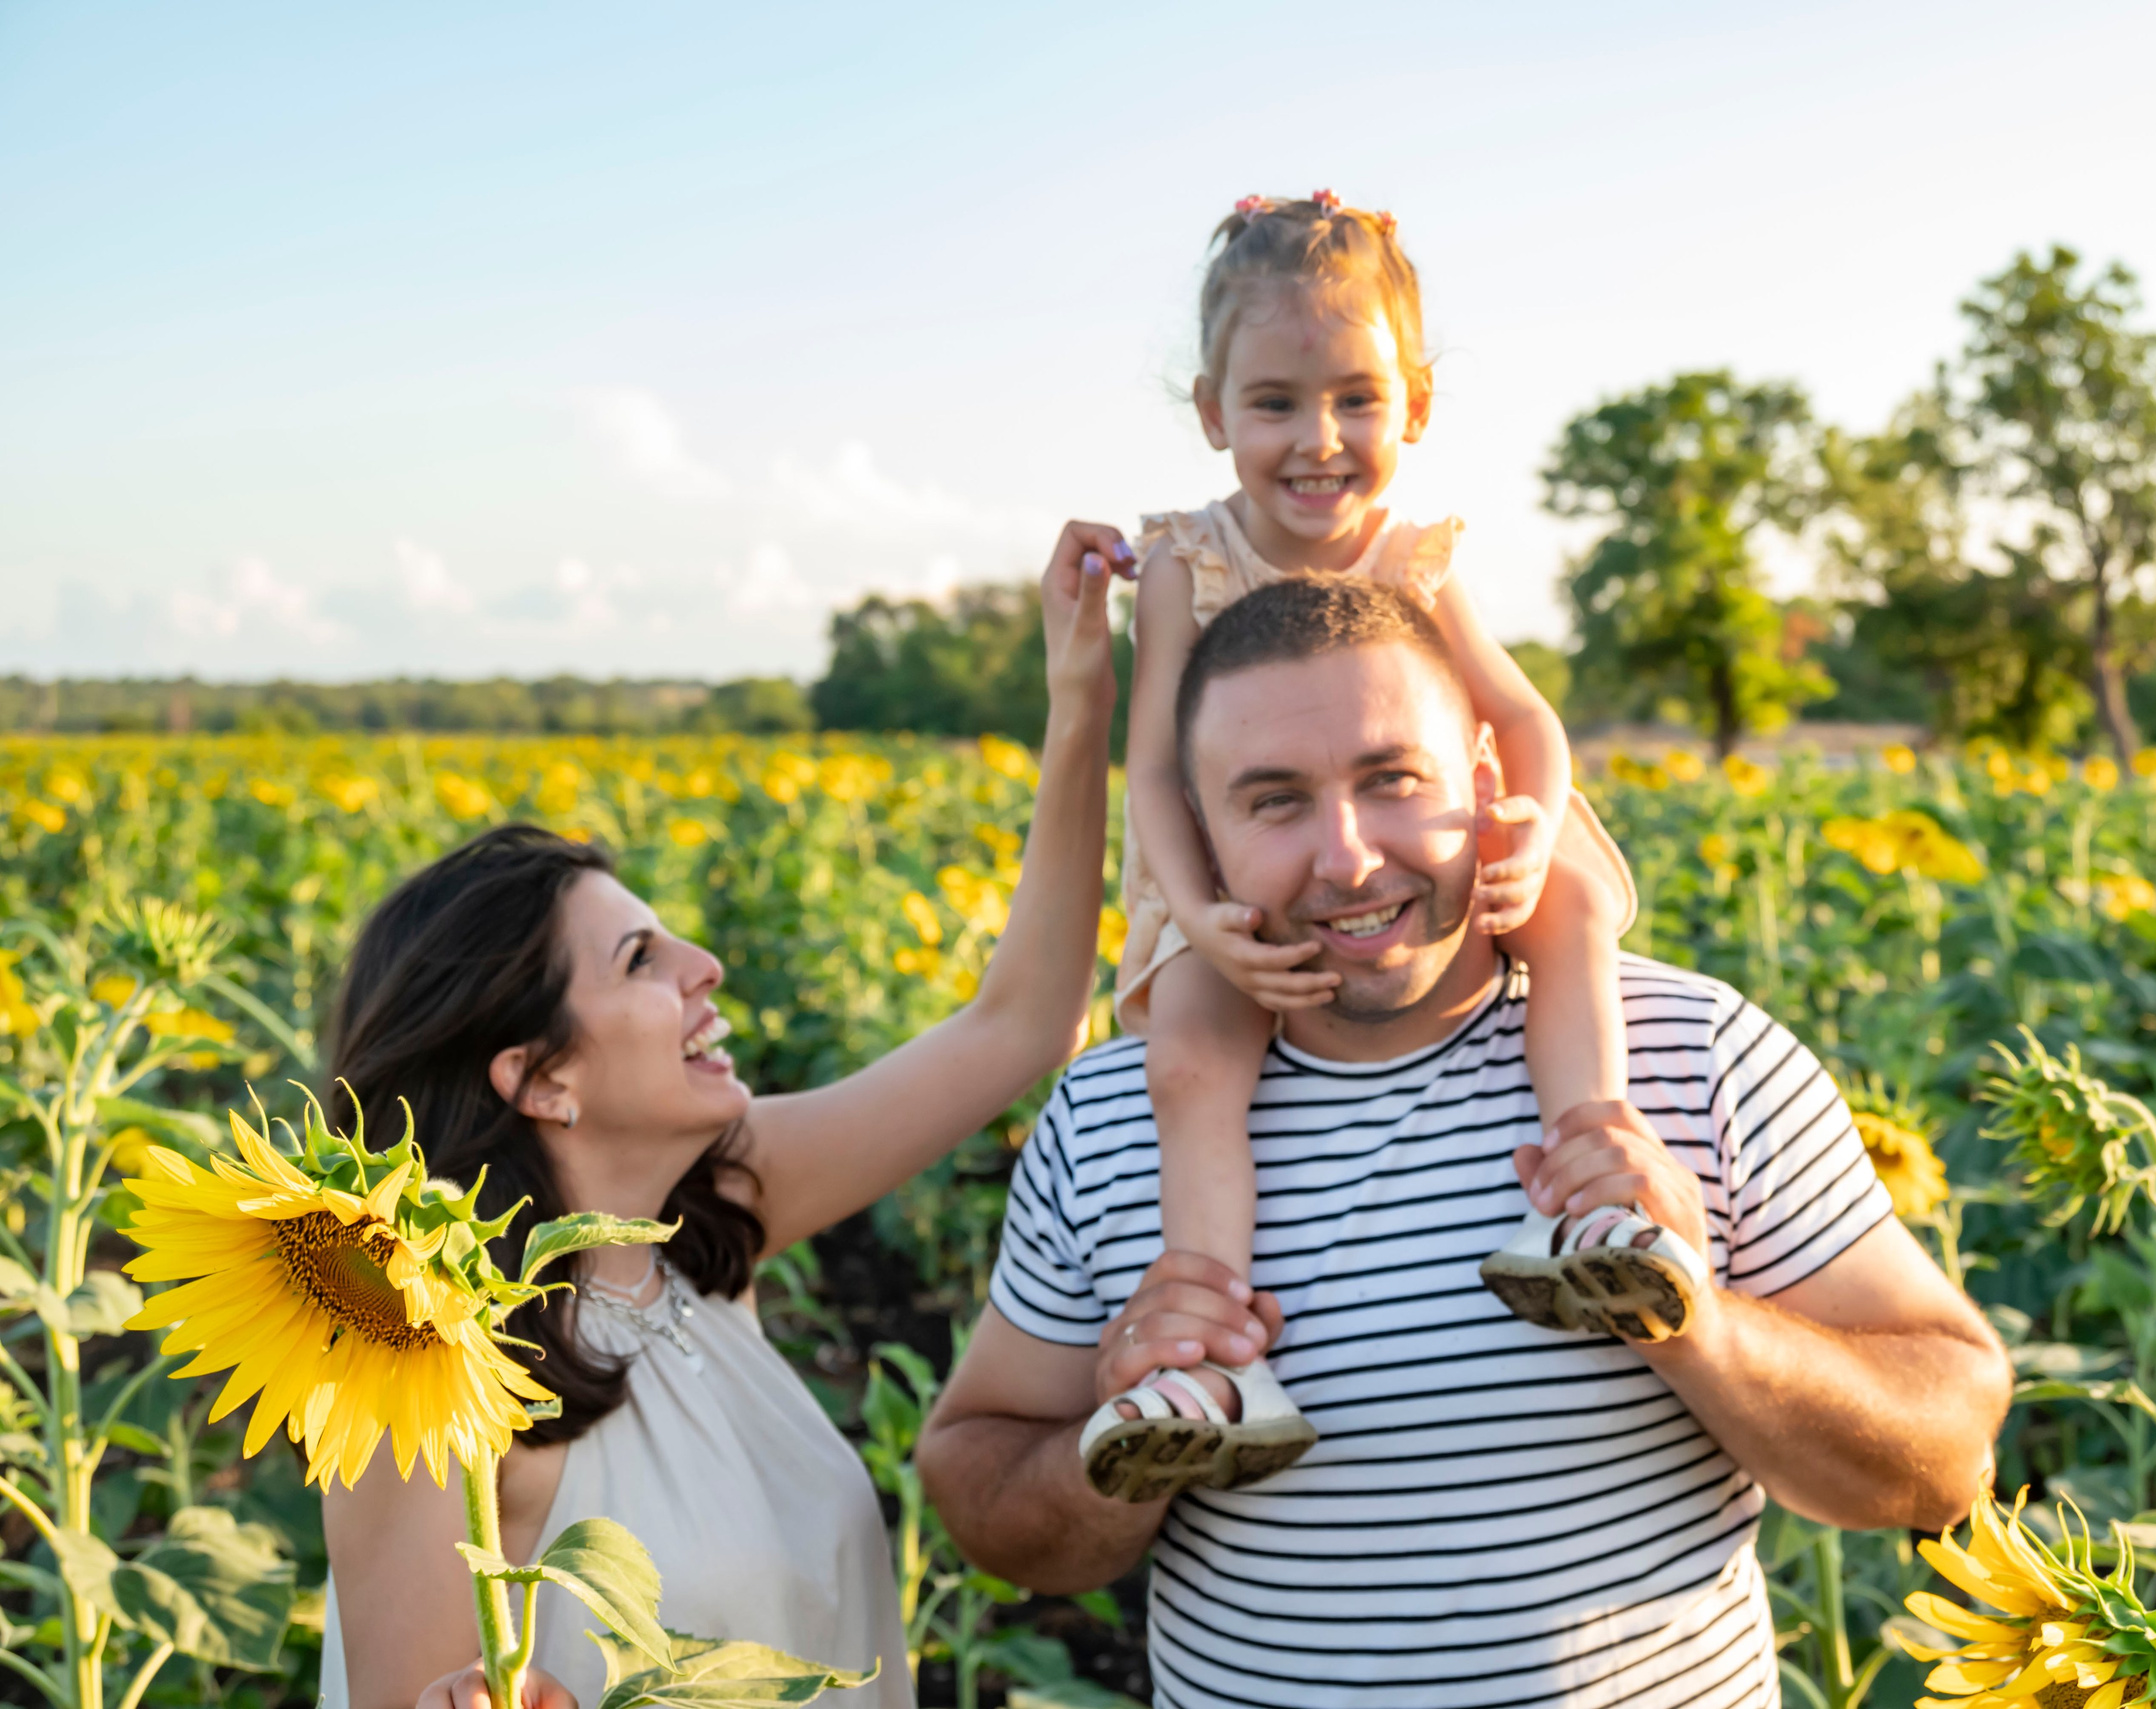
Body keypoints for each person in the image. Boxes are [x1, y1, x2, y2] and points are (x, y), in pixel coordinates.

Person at [917, 574, 2012, 1709]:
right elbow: (985, 1501)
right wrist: (1114, 1439)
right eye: (1275, 801)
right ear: (1198, 839)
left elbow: (1946, 1456)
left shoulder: (1694, 1054)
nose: (1346, 857)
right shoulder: (1107, 1117)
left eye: (1392, 779)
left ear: (1487, 785)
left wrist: (1700, 1325)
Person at [318, 523, 1132, 1709]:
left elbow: (1018, 1026)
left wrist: (1078, 695)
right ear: (539, 1077)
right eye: (641, 957)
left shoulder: (707, 1219)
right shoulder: (422, 1377)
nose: (703, 964)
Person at [1090, 191, 1659, 1503]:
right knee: (1189, 1052)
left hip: (1444, 828)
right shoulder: (1185, 559)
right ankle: (1212, 1344)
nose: (1318, 440)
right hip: (1230, 861)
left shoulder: (1417, 551)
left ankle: (1595, 1184)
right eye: (1275, 403)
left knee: (1570, 905)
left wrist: (1526, 813)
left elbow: (1520, 717)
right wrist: (1199, 910)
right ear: (1211, 412)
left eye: (1356, 400)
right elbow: (1161, 764)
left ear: (1415, 405)